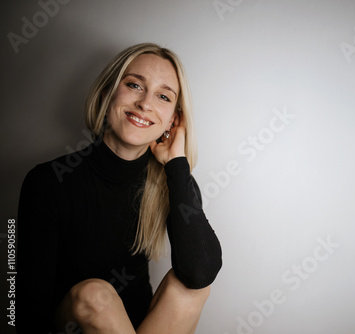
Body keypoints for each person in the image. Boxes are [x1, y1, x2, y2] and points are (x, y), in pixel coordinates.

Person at [16, 43, 223, 334]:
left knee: (192, 288)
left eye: (163, 96)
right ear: (107, 93)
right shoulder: (47, 181)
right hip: (69, 324)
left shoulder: (174, 182)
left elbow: (200, 273)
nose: (145, 103)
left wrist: (177, 164)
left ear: (172, 121)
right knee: (95, 296)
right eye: (135, 85)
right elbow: (22, 308)